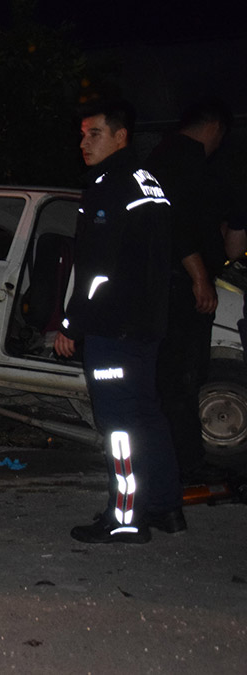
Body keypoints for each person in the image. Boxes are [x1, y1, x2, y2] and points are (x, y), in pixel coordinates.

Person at [54, 99, 182, 544]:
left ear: (121, 135)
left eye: (95, 134)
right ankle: (165, 507)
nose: (84, 143)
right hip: (146, 326)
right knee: (147, 415)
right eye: (83, 133)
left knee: (120, 427)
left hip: (114, 327)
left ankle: (125, 517)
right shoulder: (148, 182)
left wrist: (72, 322)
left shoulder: (110, 188)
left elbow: (99, 271)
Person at [145, 97, 235, 486]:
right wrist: (199, 275)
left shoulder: (170, 157)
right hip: (179, 286)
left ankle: (181, 460)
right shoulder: (180, 161)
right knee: (179, 377)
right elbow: (175, 224)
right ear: (214, 127)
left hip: (178, 284)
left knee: (184, 375)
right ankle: (183, 465)